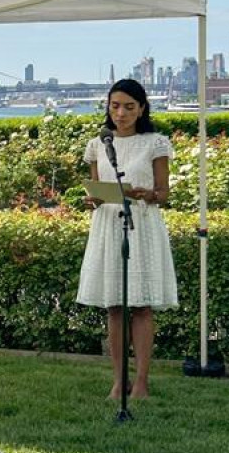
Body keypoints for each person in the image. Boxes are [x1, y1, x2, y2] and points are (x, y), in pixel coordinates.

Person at [78, 79, 178, 399]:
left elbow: (164, 192)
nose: (120, 113)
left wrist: (148, 194)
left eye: (128, 107)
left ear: (142, 109)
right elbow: (97, 186)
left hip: (142, 225)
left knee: (142, 305)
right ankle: (119, 381)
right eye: (115, 106)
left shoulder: (155, 143)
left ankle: (142, 382)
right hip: (108, 225)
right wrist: (93, 199)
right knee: (115, 307)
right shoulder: (98, 144)